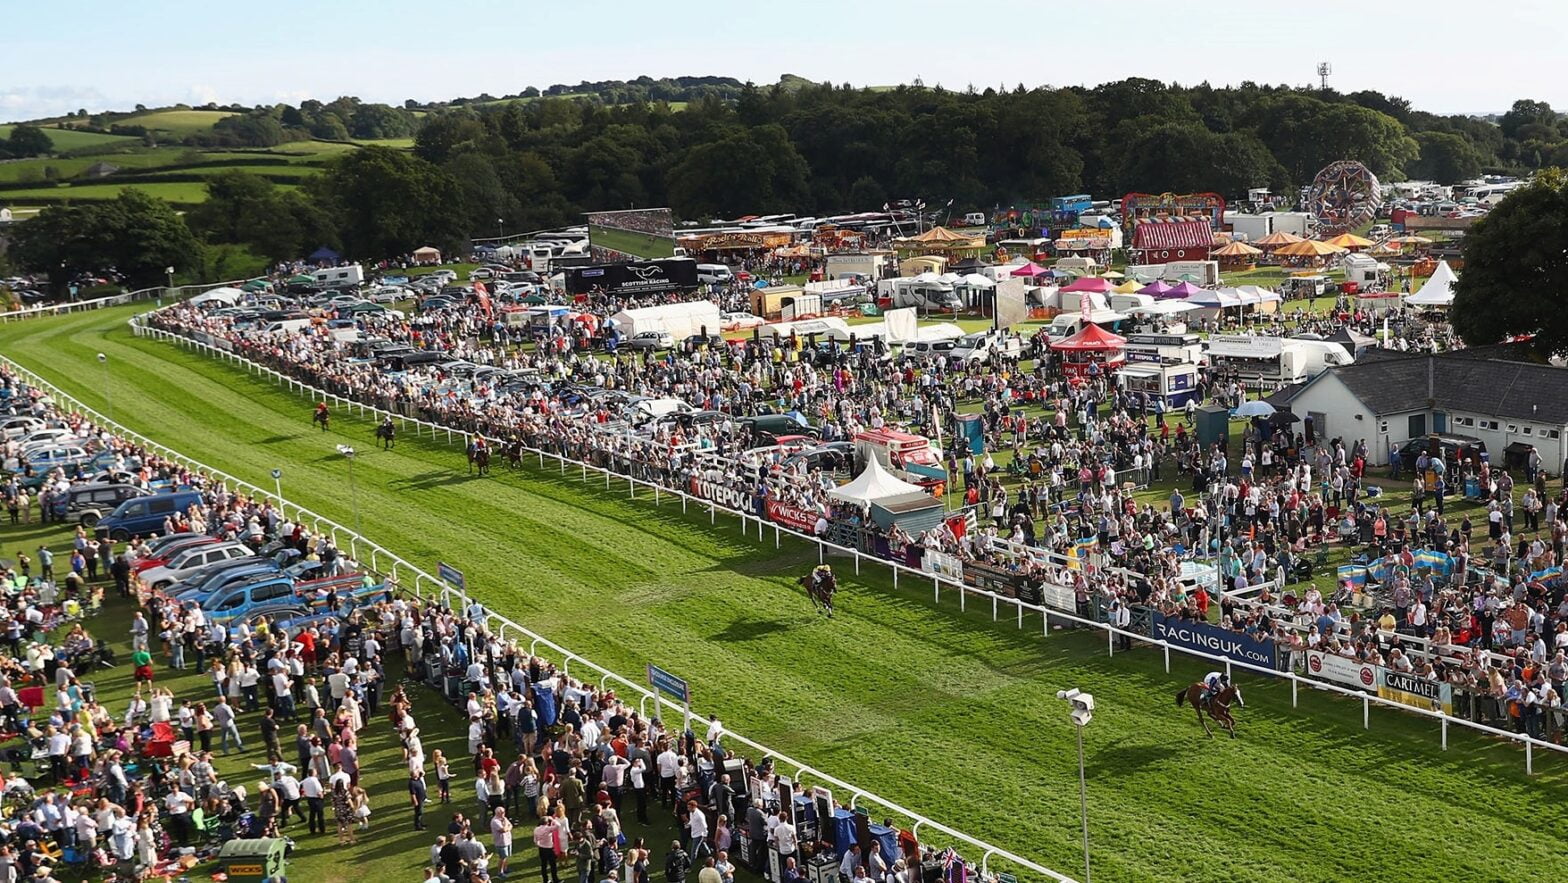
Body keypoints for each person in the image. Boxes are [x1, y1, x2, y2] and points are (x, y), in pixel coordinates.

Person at [491, 806, 514, 877]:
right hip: (501, 842)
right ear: (498, 813)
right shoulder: (495, 821)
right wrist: (507, 826)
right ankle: (500, 872)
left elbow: (511, 826)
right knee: (502, 857)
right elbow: (503, 830)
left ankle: (505, 868)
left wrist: (507, 828)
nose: (504, 813)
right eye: (502, 812)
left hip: (508, 840)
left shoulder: (504, 819)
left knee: (506, 856)